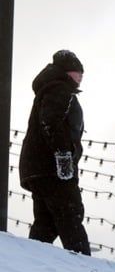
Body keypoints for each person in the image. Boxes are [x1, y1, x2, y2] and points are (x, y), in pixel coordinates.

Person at [18, 49, 91, 256]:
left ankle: (31, 261)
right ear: (69, 72)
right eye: (79, 73)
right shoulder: (60, 90)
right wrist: (64, 159)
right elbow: (51, 124)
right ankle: (84, 264)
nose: (81, 77)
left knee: (46, 223)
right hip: (52, 168)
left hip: (39, 168)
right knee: (70, 214)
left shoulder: (51, 89)